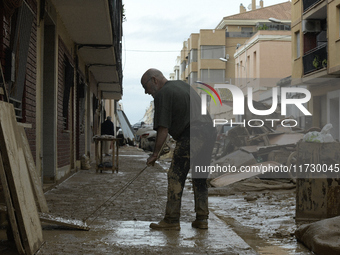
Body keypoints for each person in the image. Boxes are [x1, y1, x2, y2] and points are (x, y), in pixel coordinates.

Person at [140, 68, 216, 230]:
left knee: (175, 175)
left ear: (154, 80)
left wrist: (155, 154)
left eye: (145, 87)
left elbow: (163, 129)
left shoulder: (162, 94)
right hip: (209, 130)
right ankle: (202, 218)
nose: (146, 93)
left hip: (193, 133)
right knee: (199, 176)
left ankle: (171, 220)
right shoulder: (182, 85)